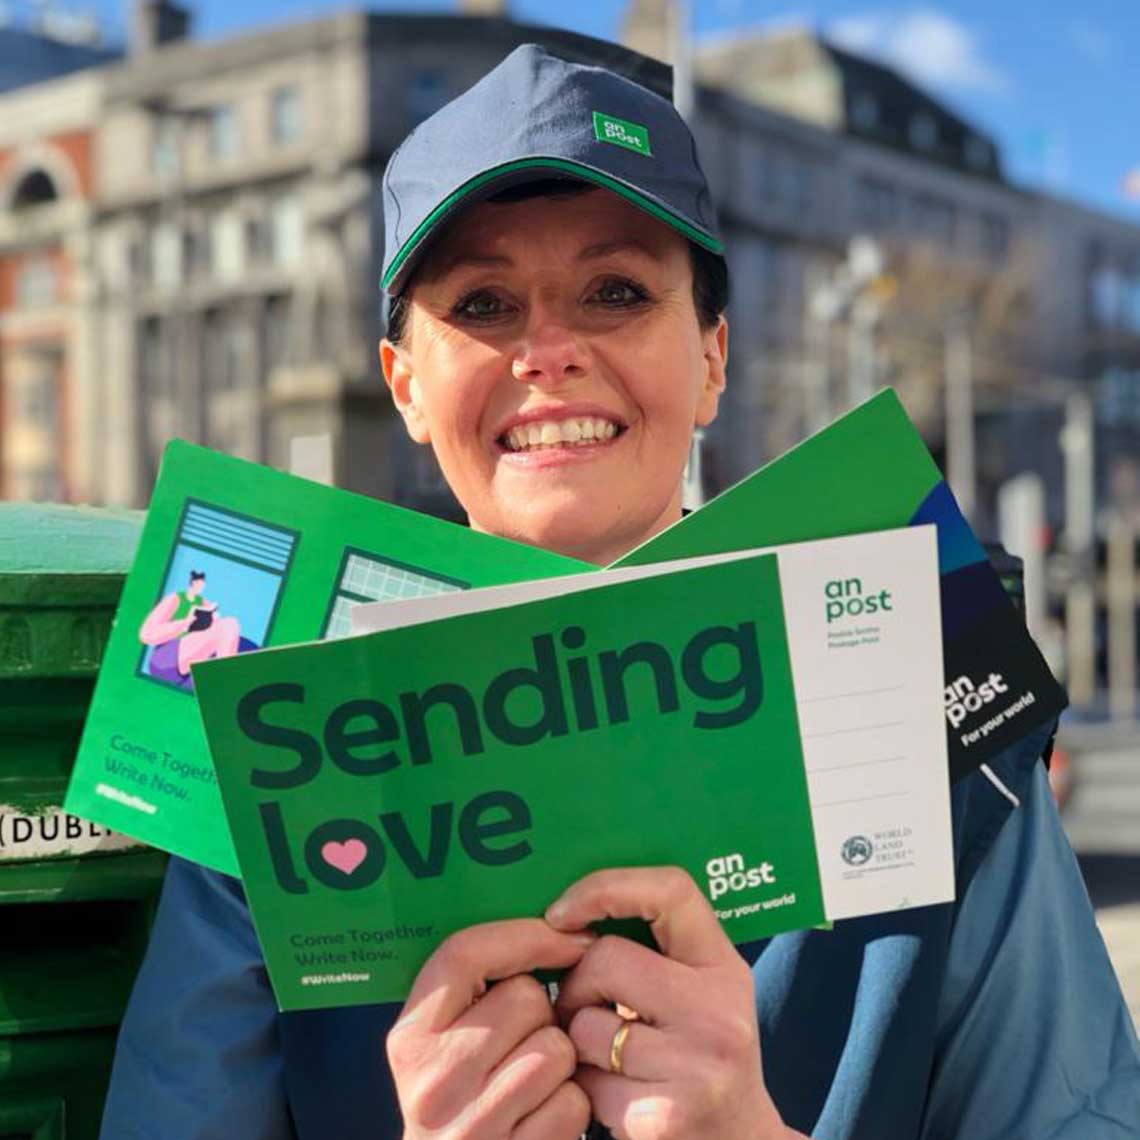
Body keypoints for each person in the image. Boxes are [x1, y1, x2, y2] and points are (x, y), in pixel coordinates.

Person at [100, 44, 1140, 1140]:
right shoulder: (270, 761)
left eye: (615, 292)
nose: (548, 350)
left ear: (712, 358)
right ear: (404, 384)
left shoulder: (938, 709)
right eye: (484, 302)